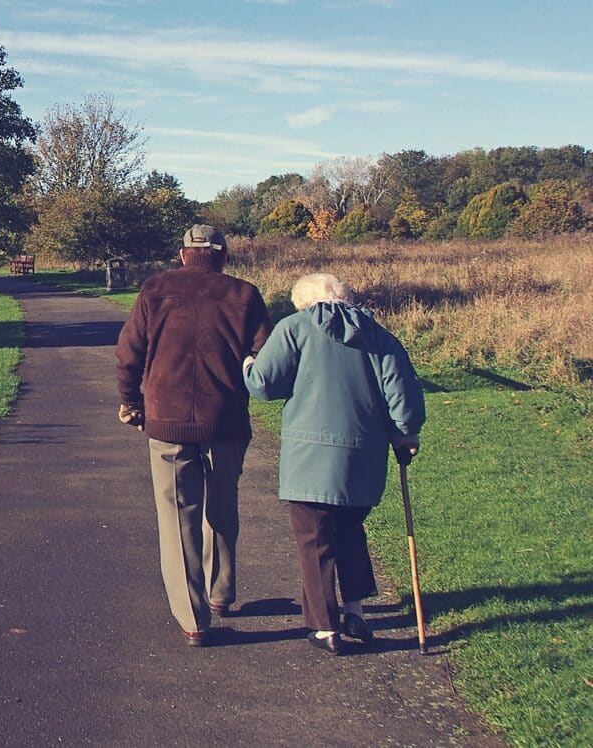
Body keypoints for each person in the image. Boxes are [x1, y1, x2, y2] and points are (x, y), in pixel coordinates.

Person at [242, 273, 425, 654]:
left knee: (315, 539)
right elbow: (403, 398)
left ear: (304, 303)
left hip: (309, 458)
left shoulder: (295, 328)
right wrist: (406, 434)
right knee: (350, 530)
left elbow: (263, 384)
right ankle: (355, 610)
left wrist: (247, 365)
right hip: (364, 456)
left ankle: (325, 627)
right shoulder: (379, 335)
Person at [115, 224, 272, 647]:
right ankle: (221, 593)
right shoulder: (245, 295)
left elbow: (129, 352)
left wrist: (131, 401)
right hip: (227, 420)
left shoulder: (155, 290)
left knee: (177, 516)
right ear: (223, 255)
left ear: (184, 254)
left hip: (167, 421)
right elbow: (264, 357)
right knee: (222, 506)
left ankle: (194, 618)